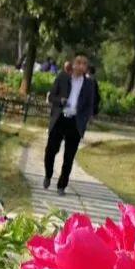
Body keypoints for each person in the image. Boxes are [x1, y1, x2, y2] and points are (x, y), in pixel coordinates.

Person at [43, 52, 96, 196]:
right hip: (60, 119)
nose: (81, 66)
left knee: (69, 157)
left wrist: (84, 119)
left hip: (75, 122)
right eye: (79, 63)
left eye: (84, 64)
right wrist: (60, 100)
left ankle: (62, 185)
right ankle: (48, 174)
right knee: (51, 150)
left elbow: (90, 105)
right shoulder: (62, 77)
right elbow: (52, 97)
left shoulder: (89, 84)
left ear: (86, 68)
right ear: (73, 64)